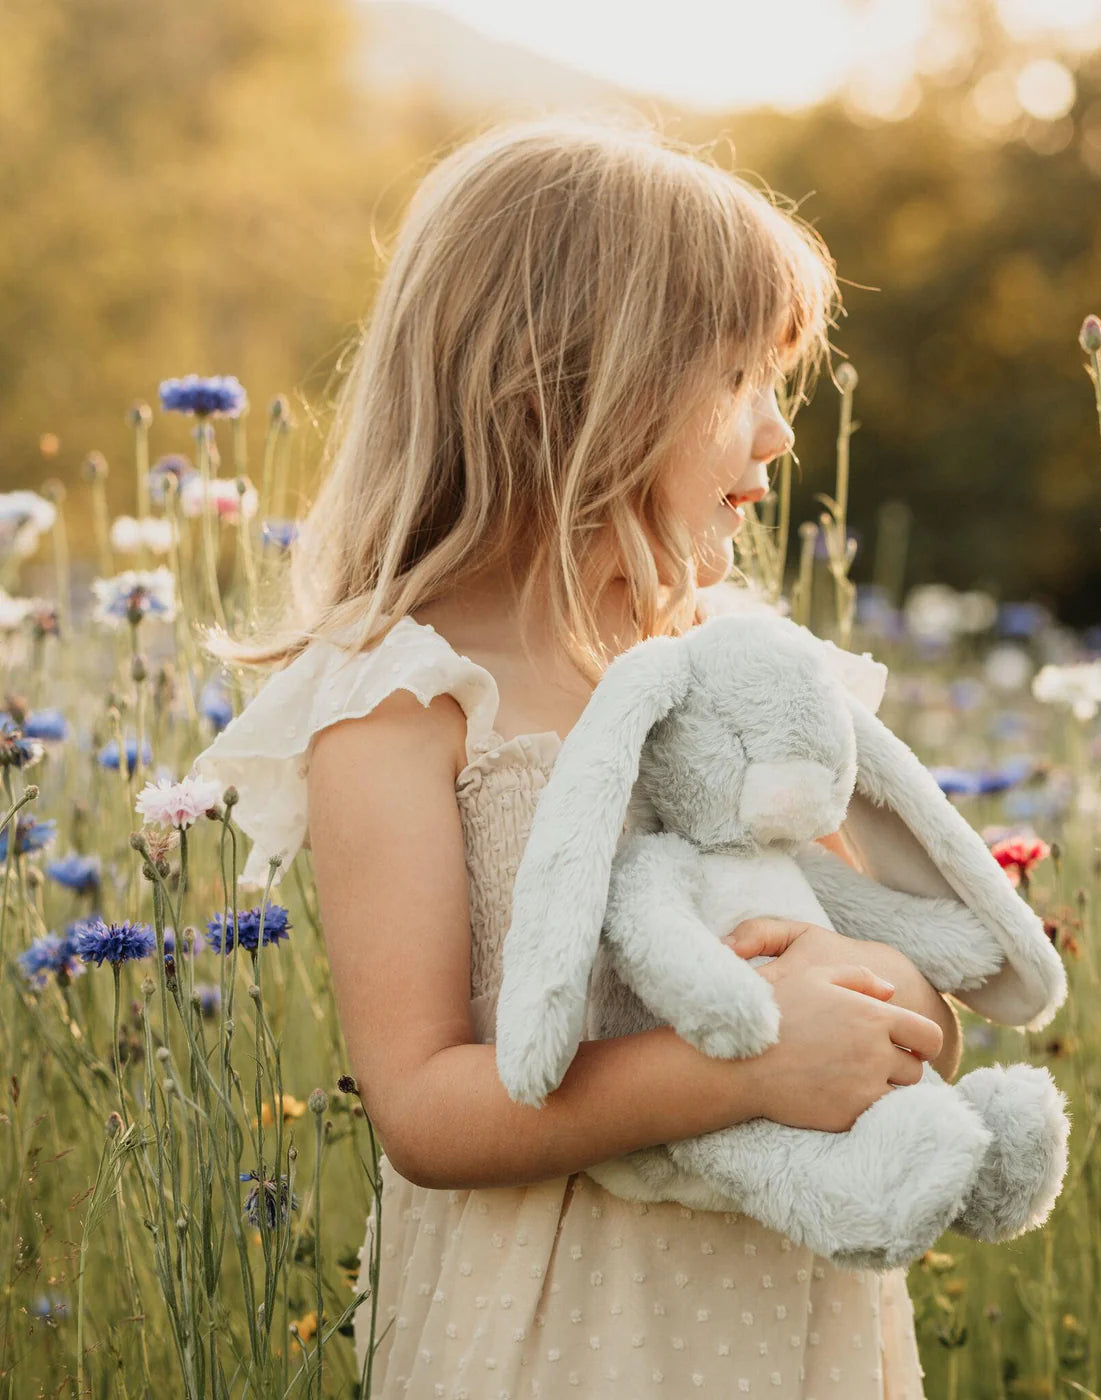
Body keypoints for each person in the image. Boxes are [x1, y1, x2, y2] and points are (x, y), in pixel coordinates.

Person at [198, 113, 961, 1399]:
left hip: (792, 1323)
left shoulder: (739, 671)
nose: (775, 434)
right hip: (557, 1332)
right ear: (566, 389)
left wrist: (869, 986)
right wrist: (749, 1062)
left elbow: (929, 988)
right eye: (734, 381)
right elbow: (425, 1104)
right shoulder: (405, 699)